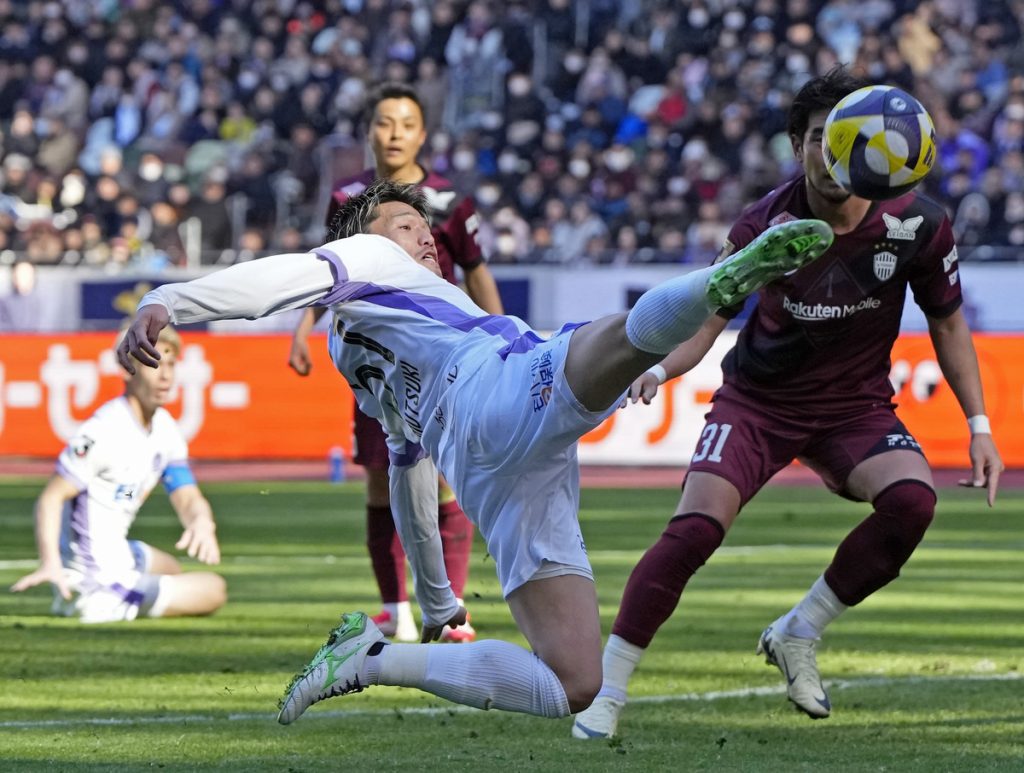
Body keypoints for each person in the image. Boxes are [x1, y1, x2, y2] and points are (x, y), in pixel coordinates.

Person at [118, 179, 832, 724]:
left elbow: (408, 467)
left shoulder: (351, 349)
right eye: (406, 225)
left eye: (426, 228)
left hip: (491, 473)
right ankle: (725, 280)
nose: (426, 238)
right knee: (591, 349)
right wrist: (173, 298)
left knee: (573, 681)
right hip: (490, 389)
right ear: (361, 237)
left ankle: (370, 658)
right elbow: (280, 280)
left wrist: (437, 598)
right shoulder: (366, 259)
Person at [571, 67, 1005, 740]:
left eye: (844, 138)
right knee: (694, 531)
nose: (831, 156)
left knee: (914, 502)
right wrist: (661, 368)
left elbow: (947, 321)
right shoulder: (764, 225)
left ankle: (798, 630)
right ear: (796, 145)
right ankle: (609, 690)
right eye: (815, 140)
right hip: (758, 404)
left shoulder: (918, 224)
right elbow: (710, 319)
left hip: (853, 408)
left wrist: (977, 423)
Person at [287, 82, 503, 643]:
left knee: (445, 482)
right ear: (370, 131)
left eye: (405, 123)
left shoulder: (451, 201)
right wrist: (304, 327)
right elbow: (327, 270)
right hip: (376, 361)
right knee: (380, 482)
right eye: (384, 123)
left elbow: (475, 270)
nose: (394, 133)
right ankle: (395, 606)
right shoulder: (348, 200)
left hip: (439, 361)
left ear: (422, 134)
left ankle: (454, 611)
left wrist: (503, 334)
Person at [11, 325, 227, 623]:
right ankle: (90, 599)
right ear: (127, 369)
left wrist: (202, 521)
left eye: (171, 364)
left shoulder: (165, 428)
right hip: (96, 578)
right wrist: (50, 563)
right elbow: (51, 497)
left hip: (118, 550)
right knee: (214, 588)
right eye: (153, 363)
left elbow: (187, 494)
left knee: (172, 568)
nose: (165, 375)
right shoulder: (103, 431)